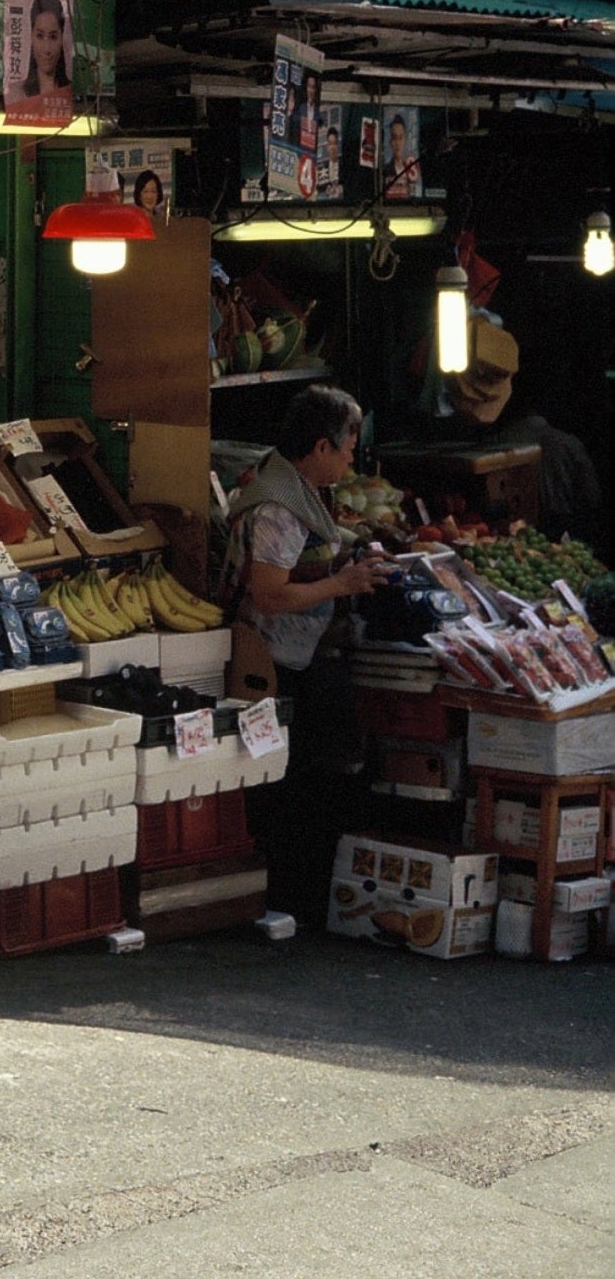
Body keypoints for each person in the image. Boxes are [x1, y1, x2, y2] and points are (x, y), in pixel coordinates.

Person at [221, 384, 384, 921]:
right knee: (293, 783)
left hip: (299, 655)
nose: (350, 459)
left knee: (311, 773)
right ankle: (289, 896)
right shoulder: (277, 508)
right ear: (320, 448)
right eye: (346, 449)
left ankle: (303, 895)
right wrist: (343, 585)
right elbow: (269, 593)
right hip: (271, 662)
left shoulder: (299, 490)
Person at [16, 0, 70, 98]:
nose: (47, 49)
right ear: (31, 36)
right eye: (40, 36)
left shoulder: (72, 93)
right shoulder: (15, 93)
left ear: (61, 38)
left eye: (53, 37)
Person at [383, 112, 418, 199]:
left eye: (400, 138)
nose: (397, 143)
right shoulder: (385, 170)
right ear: (390, 141)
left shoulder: (414, 168)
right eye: (394, 138)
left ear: (405, 140)